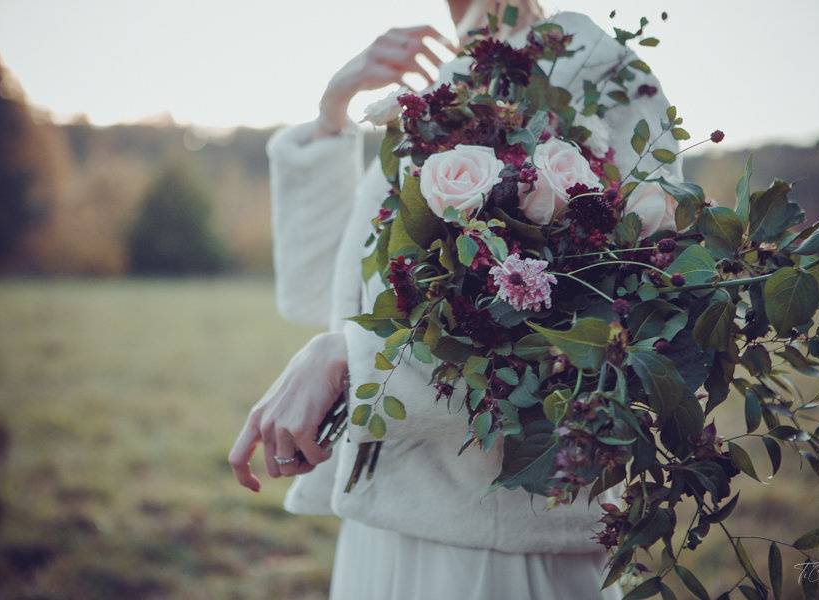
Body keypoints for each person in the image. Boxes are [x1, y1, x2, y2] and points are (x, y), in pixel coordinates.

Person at [230, 1, 682, 598]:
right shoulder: (455, 75)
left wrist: (351, 359)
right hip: (388, 514)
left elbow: (605, 326)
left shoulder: (594, 71)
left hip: (494, 538)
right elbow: (324, 290)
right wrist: (333, 110)